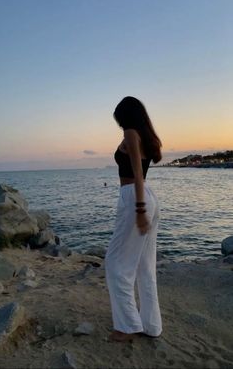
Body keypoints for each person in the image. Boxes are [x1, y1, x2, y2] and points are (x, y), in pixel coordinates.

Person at [105, 96, 163, 342]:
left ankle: (127, 327)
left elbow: (137, 174)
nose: (118, 122)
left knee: (116, 263)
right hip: (149, 197)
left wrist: (139, 210)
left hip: (134, 197)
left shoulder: (130, 132)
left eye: (118, 117)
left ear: (125, 115)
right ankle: (151, 326)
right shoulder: (145, 135)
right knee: (144, 266)